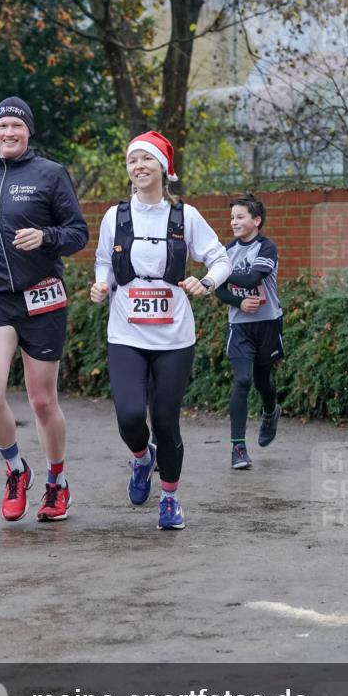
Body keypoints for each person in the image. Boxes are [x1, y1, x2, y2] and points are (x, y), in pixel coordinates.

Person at [0, 96, 89, 523]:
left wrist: (46, 237)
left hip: (42, 298)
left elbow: (78, 233)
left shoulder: (50, 173)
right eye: (3, 126)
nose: (9, 132)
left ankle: (57, 482)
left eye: (17, 125)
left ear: (28, 131)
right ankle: (15, 469)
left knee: (42, 401)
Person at [90, 131, 231, 531]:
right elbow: (104, 260)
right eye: (132, 160)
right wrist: (102, 283)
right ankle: (141, 458)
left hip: (174, 337)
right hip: (126, 333)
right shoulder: (115, 216)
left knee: (166, 421)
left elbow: (221, 258)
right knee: (130, 416)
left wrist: (206, 282)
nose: (138, 166)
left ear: (164, 167)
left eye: (146, 159)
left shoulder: (186, 216)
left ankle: (169, 498)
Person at [215, 193, 283, 469]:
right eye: (232, 217)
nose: (234, 222)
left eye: (240, 217)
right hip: (240, 326)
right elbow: (219, 290)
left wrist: (219, 271)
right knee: (242, 380)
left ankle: (270, 412)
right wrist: (239, 302)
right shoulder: (227, 251)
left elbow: (253, 278)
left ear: (256, 220)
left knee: (263, 381)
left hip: (267, 324)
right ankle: (238, 448)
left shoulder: (266, 248)